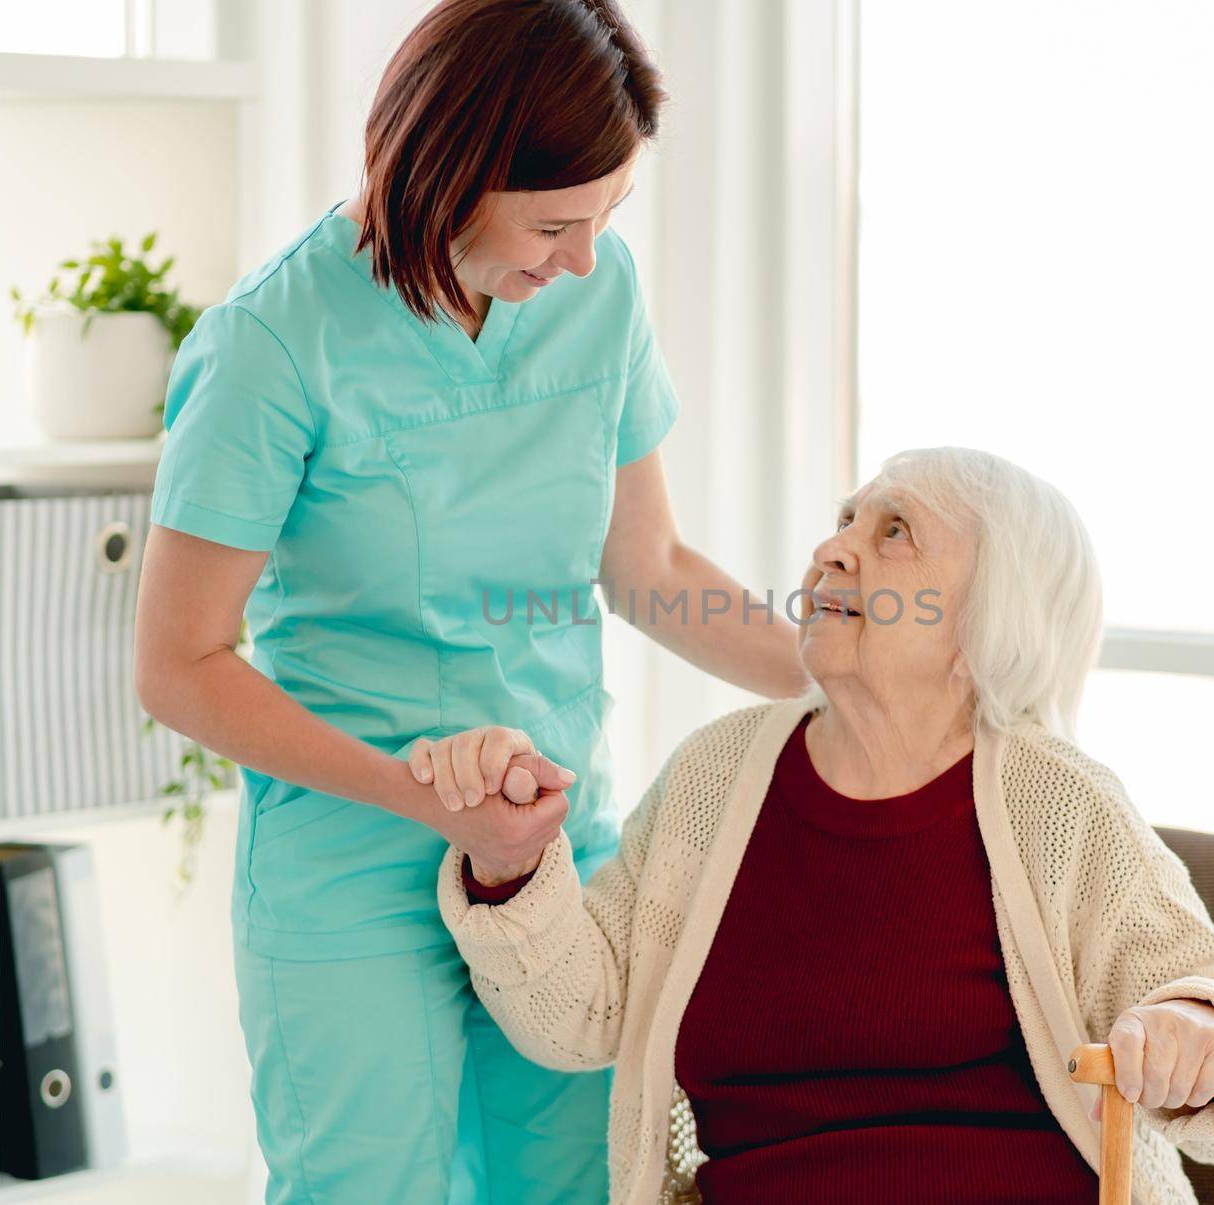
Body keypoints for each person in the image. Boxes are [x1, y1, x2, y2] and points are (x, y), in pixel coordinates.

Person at [133, 2, 808, 1201]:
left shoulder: (595, 294)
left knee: (580, 1179)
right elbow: (179, 663)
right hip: (350, 853)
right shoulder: (274, 343)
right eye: (555, 222)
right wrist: (423, 794)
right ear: (448, 166)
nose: (585, 257)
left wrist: (852, 676)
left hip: (555, 840)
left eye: (608, 217)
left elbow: (649, 570)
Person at [423, 447, 1214, 1204]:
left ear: (986, 615)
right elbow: (580, 1013)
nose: (830, 549)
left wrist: (1204, 1034)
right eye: (846, 519)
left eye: (893, 531)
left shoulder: (1058, 801)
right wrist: (512, 864)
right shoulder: (717, 777)